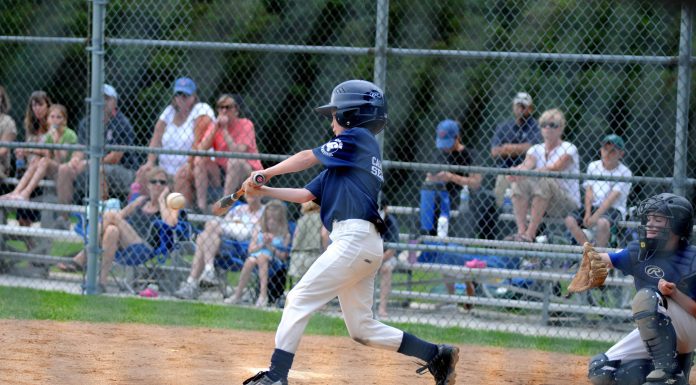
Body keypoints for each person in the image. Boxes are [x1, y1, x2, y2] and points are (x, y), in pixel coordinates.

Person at [240, 80, 458, 385]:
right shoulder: (345, 162)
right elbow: (305, 195)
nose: (331, 124)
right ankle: (437, 355)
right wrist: (264, 191)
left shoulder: (359, 139)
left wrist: (266, 172)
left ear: (351, 115)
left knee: (298, 298)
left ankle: (276, 376)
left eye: (334, 116)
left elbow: (306, 156)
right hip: (362, 244)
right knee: (362, 328)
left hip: (354, 239)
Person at [586, 193, 696, 385]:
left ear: (677, 226)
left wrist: (674, 293)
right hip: (659, 331)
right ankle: (676, 375)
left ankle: (667, 369)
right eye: (649, 218)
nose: (650, 224)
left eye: (659, 219)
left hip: (689, 329)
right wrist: (588, 260)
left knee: (647, 297)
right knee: (601, 370)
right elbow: (607, 259)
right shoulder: (640, 252)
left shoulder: (692, 259)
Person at [57, 167, 184, 292]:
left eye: (162, 182)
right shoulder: (141, 201)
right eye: (153, 182)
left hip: (145, 247)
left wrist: (162, 200)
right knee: (112, 230)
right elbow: (120, 216)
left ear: (168, 186)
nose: (157, 185)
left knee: (111, 215)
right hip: (125, 243)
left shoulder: (170, 205)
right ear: (148, 185)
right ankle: (101, 283)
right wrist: (126, 213)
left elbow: (171, 224)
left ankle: (82, 256)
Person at [56, 84, 137, 227]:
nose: (102, 102)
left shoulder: (122, 123)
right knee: (64, 169)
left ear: (115, 102)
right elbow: (80, 149)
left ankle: (97, 222)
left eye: (106, 98)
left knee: (98, 169)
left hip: (123, 170)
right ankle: (64, 218)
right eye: (98, 98)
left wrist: (88, 163)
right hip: (91, 166)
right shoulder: (87, 122)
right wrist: (74, 160)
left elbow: (115, 157)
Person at [135, 77, 214, 206]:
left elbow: (199, 141)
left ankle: (183, 216)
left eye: (185, 95)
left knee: (181, 177)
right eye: (178, 94)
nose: (181, 98)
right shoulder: (169, 112)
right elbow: (156, 138)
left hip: (191, 167)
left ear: (194, 97)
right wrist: (150, 162)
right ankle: (142, 214)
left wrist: (190, 163)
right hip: (165, 170)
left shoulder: (201, 110)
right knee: (144, 173)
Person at [506, 108, 581, 242]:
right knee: (518, 182)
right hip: (540, 199)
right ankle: (521, 232)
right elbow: (527, 165)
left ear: (561, 128)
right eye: (544, 124)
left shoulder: (570, 148)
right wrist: (515, 172)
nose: (547, 128)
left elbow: (555, 167)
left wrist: (527, 173)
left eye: (552, 125)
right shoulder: (536, 149)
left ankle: (530, 234)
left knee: (545, 180)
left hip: (566, 202)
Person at [173, 193, 264, 300]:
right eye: (248, 193)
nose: (250, 195)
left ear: (261, 194)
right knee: (209, 230)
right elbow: (225, 224)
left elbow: (247, 234)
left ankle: (192, 283)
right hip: (222, 241)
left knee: (203, 237)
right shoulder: (239, 208)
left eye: (254, 192)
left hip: (240, 247)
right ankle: (208, 270)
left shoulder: (264, 212)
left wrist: (230, 228)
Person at [194, 93, 262, 212]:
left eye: (228, 107)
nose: (224, 110)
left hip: (248, 171)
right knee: (200, 160)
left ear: (236, 110)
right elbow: (201, 149)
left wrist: (224, 130)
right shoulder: (215, 126)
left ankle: (224, 206)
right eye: (221, 107)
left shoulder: (246, 124)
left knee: (234, 161)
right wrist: (216, 128)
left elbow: (238, 152)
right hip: (223, 171)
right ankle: (201, 207)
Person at [565, 134, 632, 248]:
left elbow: (611, 198)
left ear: (621, 154)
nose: (607, 154)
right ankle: (589, 250)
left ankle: (600, 258)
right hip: (594, 206)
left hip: (613, 209)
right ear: (601, 150)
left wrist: (595, 216)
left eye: (613, 151)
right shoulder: (593, 166)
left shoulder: (625, 172)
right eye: (605, 149)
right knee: (569, 220)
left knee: (602, 223)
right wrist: (587, 212)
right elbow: (589, 191)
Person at [419, 119, 482, 238]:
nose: (445, 148)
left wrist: (451, 177)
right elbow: (428, 178)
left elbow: (476, 183)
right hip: (441, 196)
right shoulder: (438, 154)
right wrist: (436, 178)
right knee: (426, 192)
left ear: (457, 137)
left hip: (463, 197)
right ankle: (426, 237)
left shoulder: (470, 154)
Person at [1, 104, 77, 201]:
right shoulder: (50, 134)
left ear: (64, 120)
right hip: (51, 169)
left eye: (59, 117)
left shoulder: (69, 134)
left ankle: (26, 193)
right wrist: (27, 151)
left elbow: (61, 158)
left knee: (44, 161)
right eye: (52, 117)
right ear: (48, 119)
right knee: (35, 161)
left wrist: (55, 141)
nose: (55, 120)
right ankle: (16, 192)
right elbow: (47, 154)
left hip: (64, 170)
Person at [225, 199, 291, 308]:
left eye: (275, 219)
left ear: (281, 220)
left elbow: (283, 256)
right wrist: (263, 244)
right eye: (268, 218)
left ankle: (263, 295)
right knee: (250, 260)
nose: (271, 222)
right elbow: (251, 250)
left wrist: (270, 246)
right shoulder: (259, 229)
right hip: (256, 257)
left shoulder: (285, 234)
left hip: (274, 261)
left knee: (262, 257)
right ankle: (238, 294)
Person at [490, 92, 542, 208]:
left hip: (529, 172)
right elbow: (494, 151)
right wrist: (520, 148)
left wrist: (507, 148)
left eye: (524, 106)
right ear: (513, 107)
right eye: (518, 106)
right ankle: (500, 214)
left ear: (530, 109)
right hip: (505, 170)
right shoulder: (504, 126)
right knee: (501, 182)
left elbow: (532, 148)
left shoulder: (536, 126)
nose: (520, 109)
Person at [13, 91, 51, 230]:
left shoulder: (52, 123)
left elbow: (49, 153)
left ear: (47, 105)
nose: (37, 109)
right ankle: (31, 248)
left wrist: (29, 150)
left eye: (40, 104)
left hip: (44, 172)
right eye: (34, 105)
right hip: (29, 170)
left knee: (28, 217)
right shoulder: (30, 126)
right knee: (22, 220)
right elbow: (29, 148)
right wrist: (21, 154)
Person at [287, 200, 326, 286]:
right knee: (313, 284)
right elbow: (324, 234)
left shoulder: (301, 219)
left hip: (297, 254)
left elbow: (296, 235)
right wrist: (325, 249)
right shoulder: (321, 218)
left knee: (298, 285)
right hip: (314, 254)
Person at [377, 195, 399, 318]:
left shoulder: (390, 221)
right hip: (372, 256)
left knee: (386, 269)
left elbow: (392, 250)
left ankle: (382, 308)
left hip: (388, 257)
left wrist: (378, 261)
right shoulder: (369, 220)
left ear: (385, 209)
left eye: (380, 208)